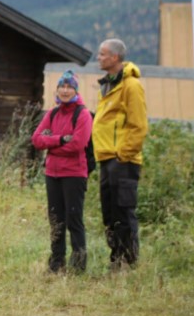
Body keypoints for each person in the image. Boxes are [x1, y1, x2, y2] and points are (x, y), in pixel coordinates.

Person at [93, 39, 148, 270]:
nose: (98, 57)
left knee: (123, 211)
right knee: (110, 213)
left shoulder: (131, 85)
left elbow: (139, 125)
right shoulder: (108, 84)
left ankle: (128, 261)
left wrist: (123, 154)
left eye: (102, 54)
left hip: (122, 160)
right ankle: (116, 259)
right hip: (106, 157)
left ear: (115, 57)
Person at [32, 70, 93, 273]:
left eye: (69, 87)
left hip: (74, 174)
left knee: (74, 220)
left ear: (75, 90)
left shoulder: (83, 114)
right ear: (57, 89)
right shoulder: (53, 113)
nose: (65, 91)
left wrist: (51, 145)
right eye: (62, 87)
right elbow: (36, 140)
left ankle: (78, 265)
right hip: (52, 173)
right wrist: (59, 139)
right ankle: (57, 263)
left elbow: (77, 145)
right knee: (56, 220)